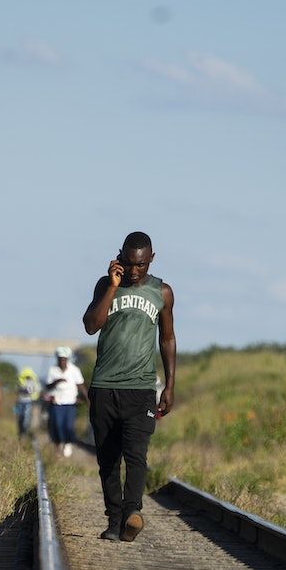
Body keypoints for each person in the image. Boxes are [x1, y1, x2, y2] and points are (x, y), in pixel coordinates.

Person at [82, 231, 175, 542]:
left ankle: (132, 512)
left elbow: (167, 339)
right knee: (108, 459)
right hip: (104, 386)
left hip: (141, 389)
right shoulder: (105, 285)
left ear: (151, 260)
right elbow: (91, 325)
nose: (135, 271)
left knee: (136, 455)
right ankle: (114, 520)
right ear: (119, 257)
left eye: (141, 266)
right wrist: (112, 286)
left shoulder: (162, 292)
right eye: (129, 264)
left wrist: (170, 385)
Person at [44, 347, 87, 457]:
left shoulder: (74, 370)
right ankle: (58, 445)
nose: (62, 361)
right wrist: (57, 381)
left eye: (64, 359)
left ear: (67, 359)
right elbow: (47, 386)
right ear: (57, 359)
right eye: (60, 359)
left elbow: (80, 385)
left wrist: (87, 398)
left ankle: (67, 443)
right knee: (57, 425)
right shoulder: (52, 370)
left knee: (68, 426)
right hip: (57, 403)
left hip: (70, 403)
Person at [14, 366, 41, 438]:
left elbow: (37, 390)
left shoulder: (33, 382)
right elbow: (16, 390)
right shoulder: (20, 382)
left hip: (28, 401)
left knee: (26, 417)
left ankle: (24, 431)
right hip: (20, 401)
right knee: (20, 417)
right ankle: (21, 432)